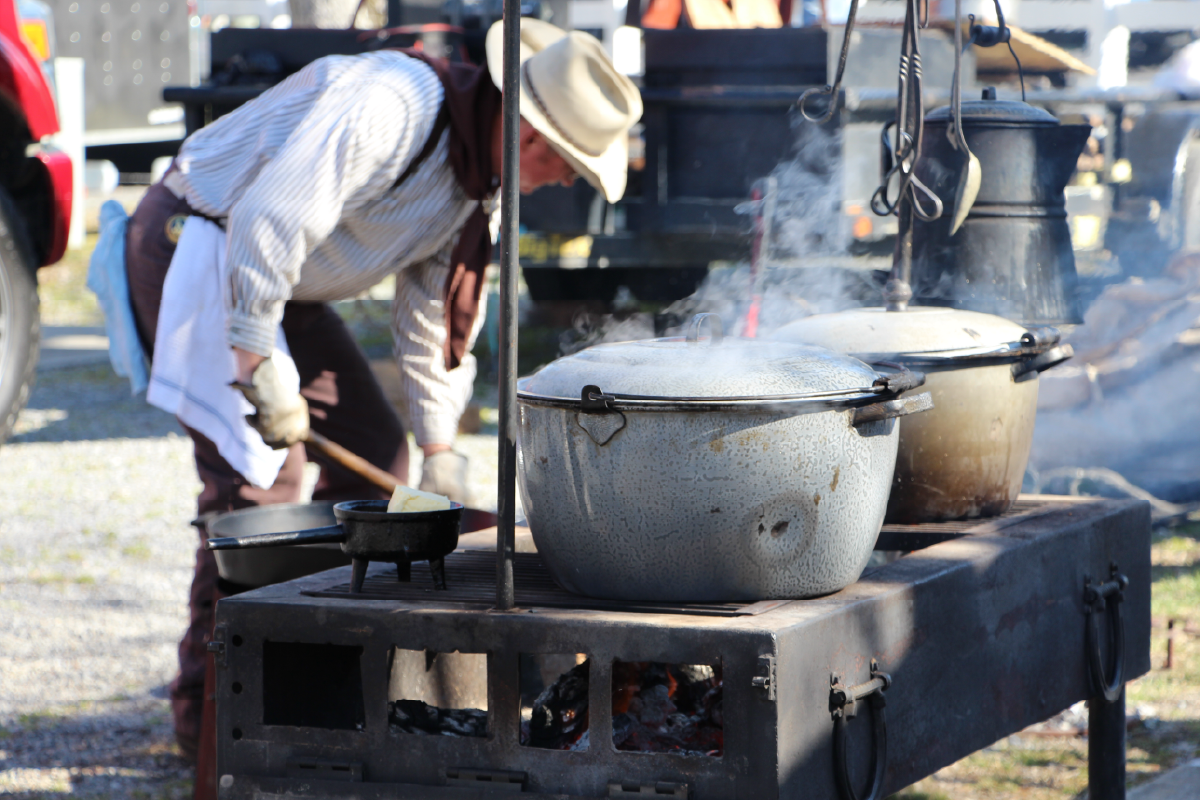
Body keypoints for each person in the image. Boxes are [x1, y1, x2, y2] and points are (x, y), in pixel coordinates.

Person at [122, 18, 642, 760]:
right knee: (261, 495)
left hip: (280, 282)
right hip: (198, 246)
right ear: (533, 139)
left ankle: (326, 688)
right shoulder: (390, 105)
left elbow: (429, 319)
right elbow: (269, 219)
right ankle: (208, 722)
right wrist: (255, 362)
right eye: (570, 167)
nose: (565, 182)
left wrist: (439, 451)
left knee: (376, 454)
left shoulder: (472, 185)